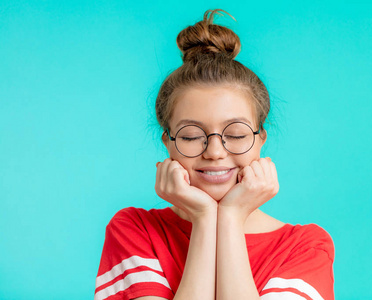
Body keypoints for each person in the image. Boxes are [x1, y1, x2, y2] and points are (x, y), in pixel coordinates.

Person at [94, 9, 335, 300]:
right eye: (192, 136)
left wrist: (230, 217)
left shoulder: (305, 247)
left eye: (236, 135)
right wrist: (205, 217)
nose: (215, 152)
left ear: (261, 140)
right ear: (168, 143)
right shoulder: (133, 230)